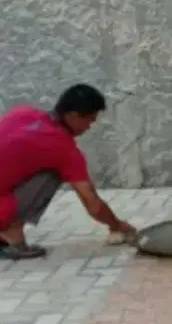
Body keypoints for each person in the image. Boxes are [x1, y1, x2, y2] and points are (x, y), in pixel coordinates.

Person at [0, 85, 137, 260]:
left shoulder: (22, 113)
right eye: (89, 120)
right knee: (54, 172)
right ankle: (9, 233)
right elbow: (92, 203)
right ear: (73, 115)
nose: (89, 127)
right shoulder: (63, 149)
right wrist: (118, 225)